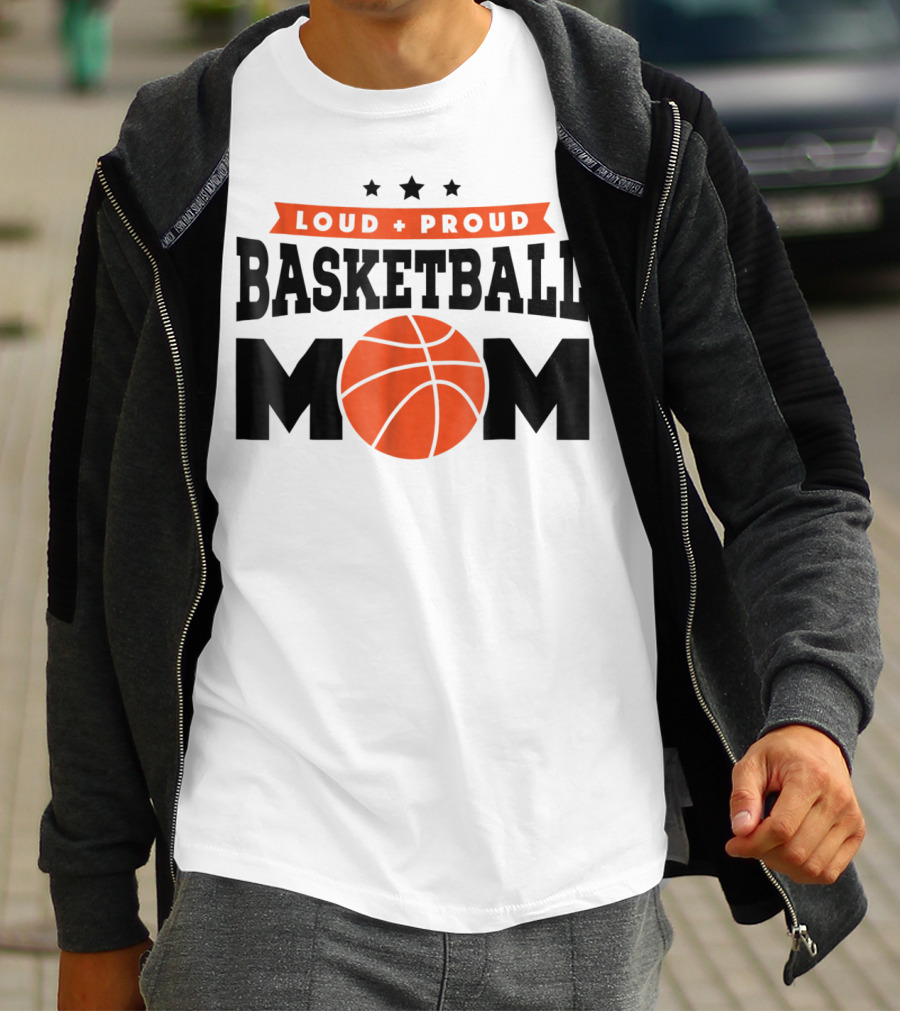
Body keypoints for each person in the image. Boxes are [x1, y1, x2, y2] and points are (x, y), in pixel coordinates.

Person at [41, 0, 881, 1008]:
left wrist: (813, 713)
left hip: (578, 880)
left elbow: (797, 480)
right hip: (268, 878)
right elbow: (89, 558)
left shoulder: (633, 135)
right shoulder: (176, 163)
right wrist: (93, 909)